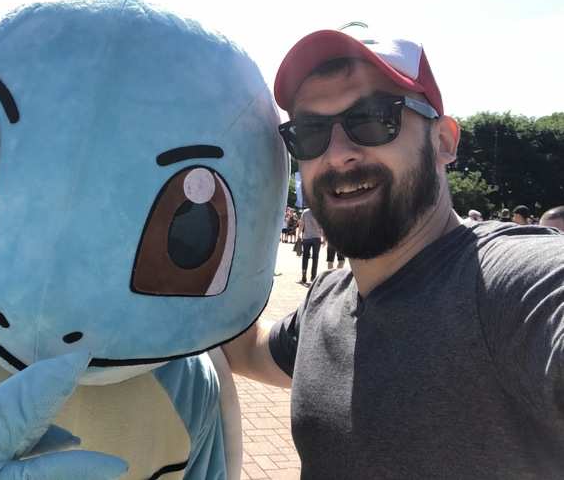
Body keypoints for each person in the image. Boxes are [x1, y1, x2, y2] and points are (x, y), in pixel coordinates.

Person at [223, 26, 564, 478]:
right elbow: (247, 349)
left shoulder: (508, 285)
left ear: (444, 141)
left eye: (373, 118)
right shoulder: (326, 303)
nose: (339, 154)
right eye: (310, 132)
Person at [298, 207, 324, 285]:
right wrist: (324, 238)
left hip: (307, 237)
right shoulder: (319, 212)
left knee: (305, 257)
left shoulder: (305, 212)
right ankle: (313, 277)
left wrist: (299, 234)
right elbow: (322, 226)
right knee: (315, 258)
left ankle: (304, 276)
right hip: (317, 237)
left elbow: (301, 225)